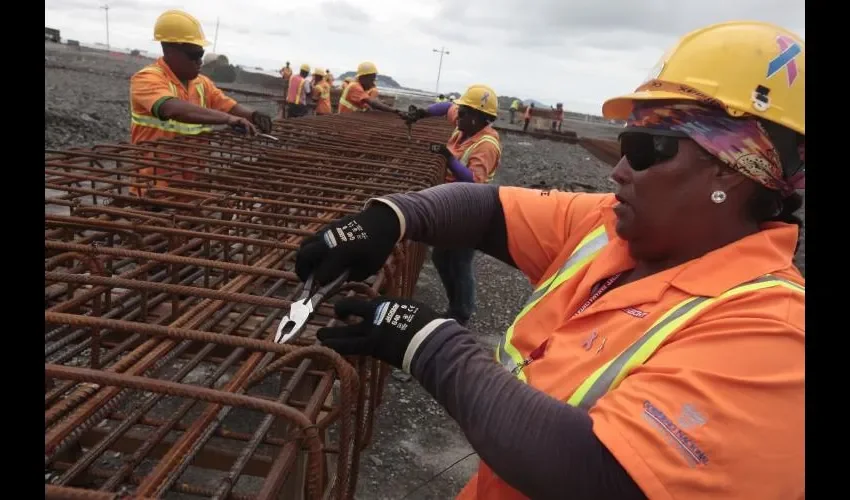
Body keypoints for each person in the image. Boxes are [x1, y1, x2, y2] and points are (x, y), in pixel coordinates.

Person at [294, 20, 805, 499]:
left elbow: (597, 469)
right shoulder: (616, 227)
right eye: (623, 146)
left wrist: (428, 343)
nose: (618, 172)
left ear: (734, 170)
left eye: (648, 149)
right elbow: (489, 209)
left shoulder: (773, 337)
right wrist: (390, 218)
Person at [129, 9, 271, 197]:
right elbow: (172, 109)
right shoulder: (147, 78)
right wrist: (229, 119)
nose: (199, 61)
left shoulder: (202, 83)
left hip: (192, 182)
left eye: (201, 54)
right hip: (155, 184)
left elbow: (227, 104)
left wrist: (253, 115)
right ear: (170, 51)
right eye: (193, 54)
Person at [408, 84, 502, 324]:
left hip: (471, 212)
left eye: (464, 113)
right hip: (452, 204)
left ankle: (461, 313)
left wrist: (448, 158)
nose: (457, 116)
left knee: (459, 262)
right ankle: (455, 305)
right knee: (441, 257)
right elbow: (446, 107)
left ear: (479, 118)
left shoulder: (486, 146)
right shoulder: (465, 126)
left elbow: (475, 181)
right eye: (460, 111)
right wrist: (422, 112)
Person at [338, 61, 404, 115]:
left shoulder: (358, 86)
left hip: (348, 117)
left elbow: (368, 103)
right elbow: (373, 102)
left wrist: (383, 104)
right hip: (345, 118)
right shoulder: (355, 87)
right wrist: (394, 111)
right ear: (364, 77)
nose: (373, 83)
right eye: (372, 79)